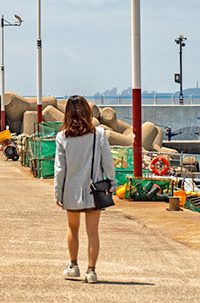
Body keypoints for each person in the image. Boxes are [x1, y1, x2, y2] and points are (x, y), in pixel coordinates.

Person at [54, 95, 116, 284]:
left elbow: (59, 169)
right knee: (93, 232)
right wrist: (112, 182)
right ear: (88, 112)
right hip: (94, 190)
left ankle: (73, 267)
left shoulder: (62, 136)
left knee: (72, 228)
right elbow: (108, 162)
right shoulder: (99, 134)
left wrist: (58, 192)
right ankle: (91, 271)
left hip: (71, 190)